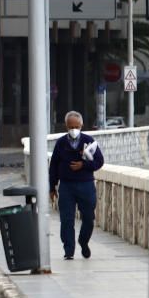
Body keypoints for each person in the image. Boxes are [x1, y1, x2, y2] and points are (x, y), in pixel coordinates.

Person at [49, 110, 104, 260]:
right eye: (70, 126)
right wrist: (52, 187)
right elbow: (53, 165)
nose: (74, 129)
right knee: (66, 219)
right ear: (66, 126)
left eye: (76, 126)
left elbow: (99, 162)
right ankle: (69, 250)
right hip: (67, 186)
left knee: (88, 218)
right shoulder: (61, 143)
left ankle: (83, 241)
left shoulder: (89, 141)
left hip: (86, 185)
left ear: (81, 125)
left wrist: (83, 165)